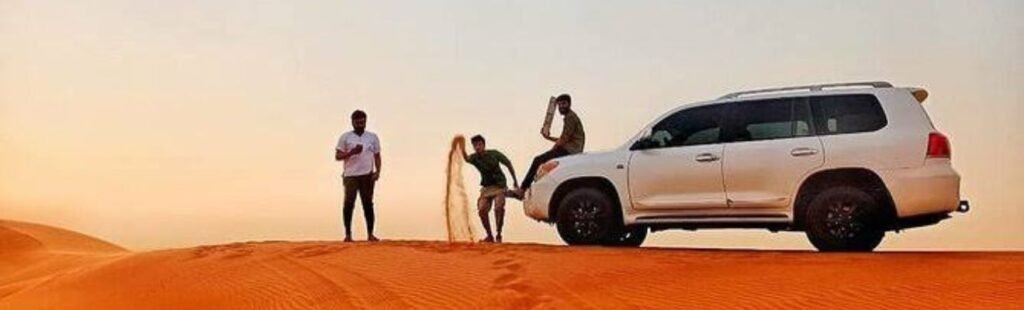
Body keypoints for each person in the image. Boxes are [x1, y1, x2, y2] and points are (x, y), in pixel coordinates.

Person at [510, 93, 585, 198]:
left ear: (569, 104)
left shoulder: (570, 118)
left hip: (570, 150)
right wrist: (548, 138)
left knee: (538, 160)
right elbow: (564, 138)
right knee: (543, 166)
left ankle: (522, 189)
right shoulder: (569, 117)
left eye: (563, 104)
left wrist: (553, 149)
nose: (561, 107)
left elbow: (563, 140)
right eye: (559, 105)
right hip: (570, 148)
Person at [334, 110, 382, 242]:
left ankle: (370, 234)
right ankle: (348, 235)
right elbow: (337, 156)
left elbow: (377, 155)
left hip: (367, 176)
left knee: (368, 204)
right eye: (358, 122)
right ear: (353, 122)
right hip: (350, 176)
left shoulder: (372, 137)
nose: (361, 124)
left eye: (363, 122)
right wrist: (352, 152)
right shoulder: (345, 137)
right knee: (349, 204)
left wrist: (378, 172)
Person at [461, 135, 518, 243]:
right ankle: (489, 235)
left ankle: (498, 234)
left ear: (483, 145)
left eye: (479, 145)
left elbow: (508, 163)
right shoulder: (474, 157)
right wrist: (461, 146)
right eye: (475, 145)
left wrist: (515, 180)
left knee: (498, 207)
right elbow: (466, 158)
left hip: (499, 185)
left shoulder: (494, 154)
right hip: (487, 188)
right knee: (482, 209)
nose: (477, 147)